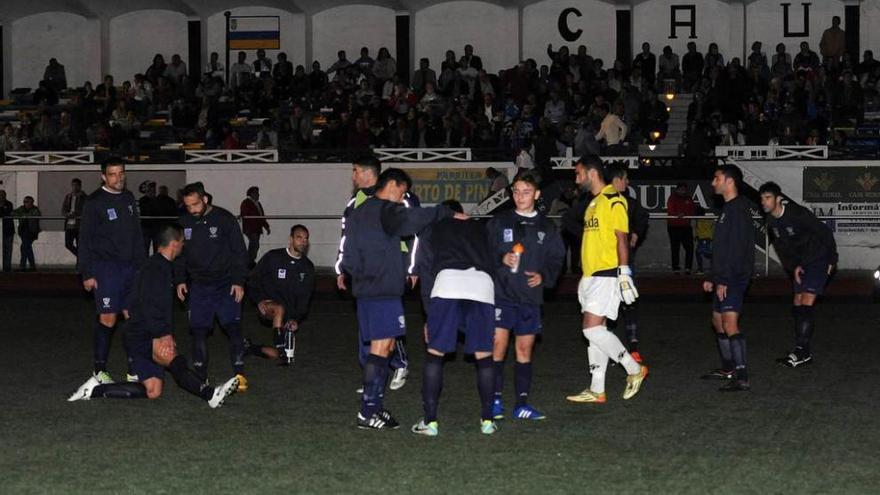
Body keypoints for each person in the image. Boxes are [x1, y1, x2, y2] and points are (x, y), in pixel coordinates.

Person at [68, 223, 240, 407]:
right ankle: (210, 395)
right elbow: (152, 304)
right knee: (172, 358)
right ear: (174, 244)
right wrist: (162, 333)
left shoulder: (153, 266)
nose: (183, 245)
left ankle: (94, 390)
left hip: (137, 332)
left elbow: (132, 301)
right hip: (144, 333)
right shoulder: (158, 268)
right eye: (182, 241)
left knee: (152, 390)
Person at [340, 168, 461, 430]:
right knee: (381, 348)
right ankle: (368, 411)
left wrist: (362, 276)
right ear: (392, 185)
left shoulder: (359, 211)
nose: (403, 197)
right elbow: (414, 219)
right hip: (382, 291)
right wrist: (446, 211)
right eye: (403, 191)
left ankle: (375, 407)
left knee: (385, 347)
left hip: (368, 289)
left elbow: (347, 255)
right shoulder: (385, 209)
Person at [410, 201, 499, 436]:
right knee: (484, 356)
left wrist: (430, 315)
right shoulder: (482, 227)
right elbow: (496, 263)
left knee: (435, 354)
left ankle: (430, 422)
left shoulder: (433, 228)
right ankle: (487, 421)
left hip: (447, 282)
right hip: (482, 284)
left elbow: (427, 269)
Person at [565, 155, 648, 404]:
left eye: (579, 173)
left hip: (606, 274)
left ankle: (634, 369)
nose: (576, 179)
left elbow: (621, 238)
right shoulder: (593, 203)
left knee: (590, 329)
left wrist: (624, 273)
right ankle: (597, 389)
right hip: (591, 276)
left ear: (592, 173)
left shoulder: (614, 200)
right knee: (596, 331)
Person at [487, 173, 565, 421]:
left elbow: (556, 259)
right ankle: (495, 400)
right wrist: (501, 258)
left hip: (530, 298)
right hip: (502, 293)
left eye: (526, 191)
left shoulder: (547, 227)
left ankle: (521, 403)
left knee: (524, 349)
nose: (520, 196)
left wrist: (544, 276)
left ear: (537, 194)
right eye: (517, 191)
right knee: (497, 346)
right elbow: (483, 250)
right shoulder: (500, 221)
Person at [334, 155, 410, 391]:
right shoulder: (354, 202)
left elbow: (413, 236)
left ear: (369, 173)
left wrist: (411, 268)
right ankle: (372, 382)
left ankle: (398, 364)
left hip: (390, 272)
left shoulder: (399, 198)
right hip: (366, 273)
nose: (353, 176)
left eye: (355, 170)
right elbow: (347, 238)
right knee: (368, 331)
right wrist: (341, 268)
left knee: (386, 329)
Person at [174, 182, 248, 390]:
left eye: (195, 204)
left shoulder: (225, 219)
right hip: (199, 286)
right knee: (198, 331)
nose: (192, 210)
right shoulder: (184, 222)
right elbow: (179, 255)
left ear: (205, 199)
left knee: (232, 329)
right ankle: (200, 376)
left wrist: (238, 281)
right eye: (188, 206)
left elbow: (239, 252)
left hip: (226, 284)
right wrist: (180, 280)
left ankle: (239, 374)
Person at [77, 158, 145, 383]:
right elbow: (84, 238)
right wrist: (87, 273)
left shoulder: (128, 198)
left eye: (121, 173)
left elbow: (137, 234)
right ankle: (100, 370)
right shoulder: (94, 202)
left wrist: (142, 266)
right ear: (103, 177)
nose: (119, 178)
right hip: (106, 268)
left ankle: (134, 370)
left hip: (130, 268)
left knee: (132, 317)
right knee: (108, 318)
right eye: (113, 174)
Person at [759, 182, 837, 368]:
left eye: (768, 197)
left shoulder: (797, 213)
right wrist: (794, 266)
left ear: (778, 199)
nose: (764, 202)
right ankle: (803, 350)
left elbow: (824, 231)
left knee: (806, 302)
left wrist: (832, 260)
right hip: (802, 264)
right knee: (797, 303)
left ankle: (801, 351)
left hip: (819, 258)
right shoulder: (771, 221)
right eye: (762, 198)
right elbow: (782, 248)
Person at [701, 165, 755, 392]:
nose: (713, 182)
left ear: (729, 182)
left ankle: (742, 376)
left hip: (733, 276)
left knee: (729, 323)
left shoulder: (738, 209)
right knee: (717, 321)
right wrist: (713, 276)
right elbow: (722, 247)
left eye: (717, 178)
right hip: (724, 275)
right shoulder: (727, 209)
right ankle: (728, 368)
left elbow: (737, 248)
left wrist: (724, 279)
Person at [246, 224, 315, 365]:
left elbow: (305, 299)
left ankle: (250, 348)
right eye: (299, 237)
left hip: (288, 315)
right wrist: (259, 300)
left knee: (278, 356)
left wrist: (295, 319)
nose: (303, 241)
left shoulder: (307, 267)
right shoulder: (273, 257)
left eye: (306, 239)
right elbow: (252, 279)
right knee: (279, 308)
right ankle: (280, 346)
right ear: (290, 239)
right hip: (268, 307)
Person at [607, 162, 649, 361]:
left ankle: (633, 346)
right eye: (625, 178)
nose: (628, 182)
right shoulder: (600, 202)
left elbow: (643, 216)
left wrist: (636, 233)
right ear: (617, 179)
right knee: (608, 305)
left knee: (629, 302)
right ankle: (612, 349)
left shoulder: (629, 202)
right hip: (604, 263)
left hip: (625, 262)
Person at [666, 183, 695, 274]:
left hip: (686, 226)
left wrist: (685, 214)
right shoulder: (672, 198)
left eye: (684, 189)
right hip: (674, 227)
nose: (683, 191)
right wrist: (677, 214)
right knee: (675, 248)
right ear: (677, 190)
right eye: (681, 189)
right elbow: (670, 210)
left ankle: (688, 268)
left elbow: (692, 209)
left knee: (690, 247)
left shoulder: (689, 199)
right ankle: (676, 268)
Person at [240, 186, 270, 269]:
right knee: (254, 243)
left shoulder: (258, 203)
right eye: (256, 193)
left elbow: (261, 216)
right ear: (252, 194)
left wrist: (266, 226)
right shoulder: (246, 203)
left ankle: (250, 260)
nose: (258, 195)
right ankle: (249, 261)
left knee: (255, 245)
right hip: (250, 228)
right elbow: (244, 213)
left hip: (257, 228)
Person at [13, 196, 41, 271]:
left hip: (31, 232)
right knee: (27, 247)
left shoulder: (35, 209)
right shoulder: (21, 208)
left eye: (27, 202)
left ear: (32, 203)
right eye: (24, 202)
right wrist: (21, 216)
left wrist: (25, 216)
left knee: (24, 247)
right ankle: (32, 266)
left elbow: (36, 215)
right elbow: (13, 213)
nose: (25, 203)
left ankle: (23, 266)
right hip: (23, 231)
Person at [62, 178, 86, 257]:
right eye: (73, 185)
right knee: (68, 244)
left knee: (80, 245)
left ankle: (80, 263)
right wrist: (67, 214)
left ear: (80, 186)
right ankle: (81, 257)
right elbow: (63, 209)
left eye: (76, 185)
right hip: (69, 224)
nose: (74, 187)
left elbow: (87, 210)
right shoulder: (68, 196)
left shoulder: (84, 197)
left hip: (79, 225)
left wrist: (77, 214)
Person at [138, 180, 158, 254]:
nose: (153, 191)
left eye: (154, 190)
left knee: (157, 247)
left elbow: (158, 212)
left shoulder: (157, 200)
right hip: (146, 226)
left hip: (156, 227)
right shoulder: (143, 200)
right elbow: (145, 210)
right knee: (145, 247)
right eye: (151, 189)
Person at [0, 190, 13, 272]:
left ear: (5, 196)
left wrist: (1, 207)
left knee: (8, 249)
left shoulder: (9, 204)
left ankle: (7, 267)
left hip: (8, 230)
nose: (1, 197)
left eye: (2, 195)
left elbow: (6, 213)